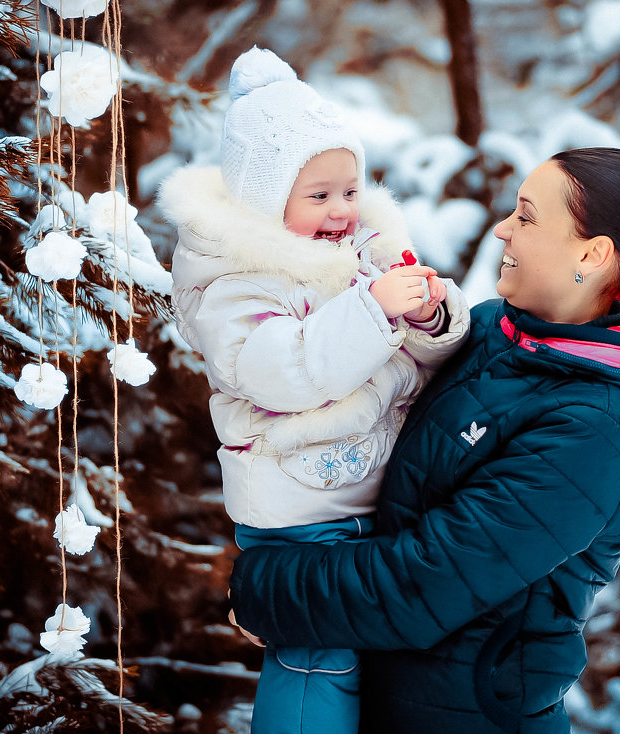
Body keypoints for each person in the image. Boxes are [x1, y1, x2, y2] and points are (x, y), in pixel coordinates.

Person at [228, 147, 620, 733]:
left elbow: (425, 582)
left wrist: (266, 589)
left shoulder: (593, 428)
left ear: (591, 255)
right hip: (383, 698)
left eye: (526, 217)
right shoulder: (496, 329)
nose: (503, 230)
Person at [158, 46, 470, 734]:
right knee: (317, 656)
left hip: (374, 496)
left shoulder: (367, 253)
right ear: (268, 201)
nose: (341, 210)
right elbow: (284, 370)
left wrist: (429, 316)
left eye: (351, 191)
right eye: (319, 195)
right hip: (300, 511)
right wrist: (373, 310)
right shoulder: (237, 283)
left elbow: (432, 356)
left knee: (374, 654)